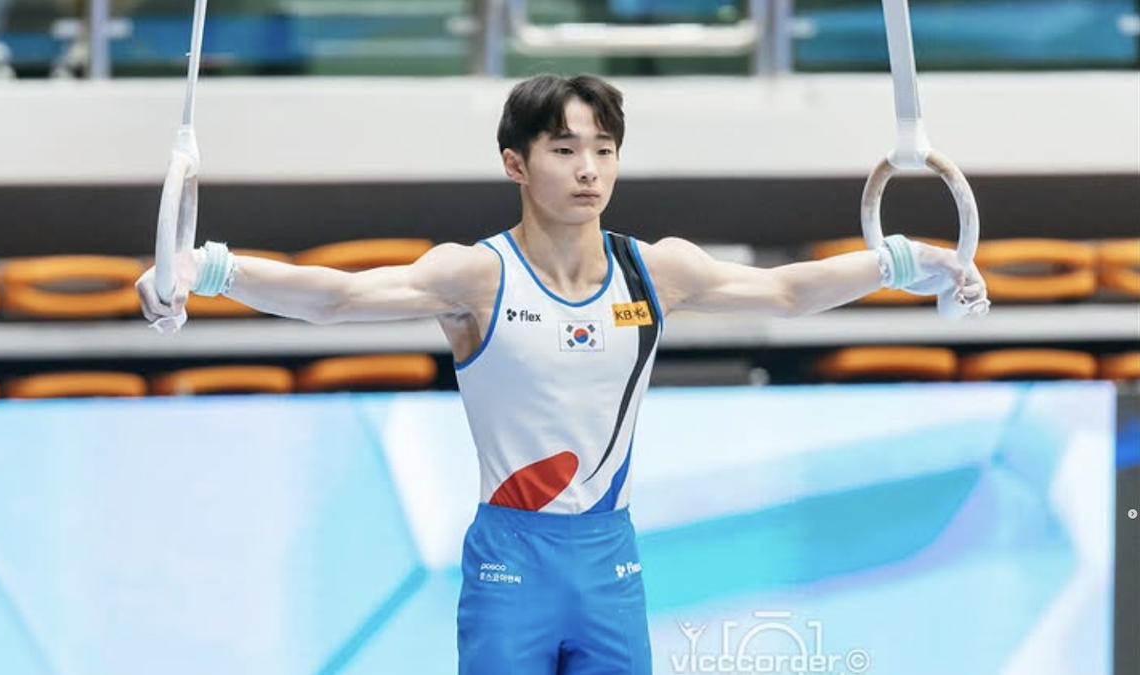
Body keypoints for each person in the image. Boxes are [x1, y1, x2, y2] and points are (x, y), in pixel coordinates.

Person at [135, 73, 988, 674]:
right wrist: (204, 269)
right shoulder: (477, 277)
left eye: (604, 150)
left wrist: (912, 260)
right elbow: (338, 297)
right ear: (516, 163)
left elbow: (789, 291)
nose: (589, 170)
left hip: (610, 557)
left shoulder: (654, 269)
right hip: (512, 560)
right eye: (565, 149)